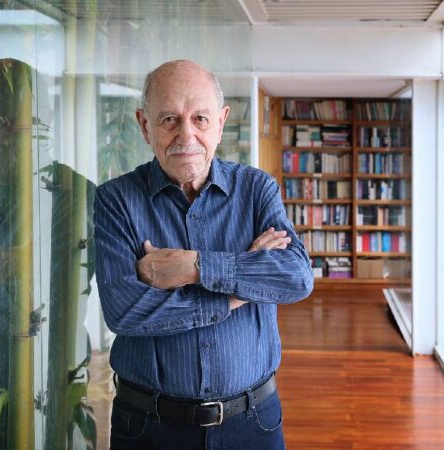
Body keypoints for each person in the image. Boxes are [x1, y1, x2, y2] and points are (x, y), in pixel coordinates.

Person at [93, 60, 314, 450]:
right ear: (144, 124)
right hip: (149, 427)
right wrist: (237, 292)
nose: (186, 134)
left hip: (253, 423)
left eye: (200, 118)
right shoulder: (116, 201)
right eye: (169, 119)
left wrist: (193, 267)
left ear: (221, 122)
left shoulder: (257, 190)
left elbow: (295, 277)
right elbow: (125, 312)